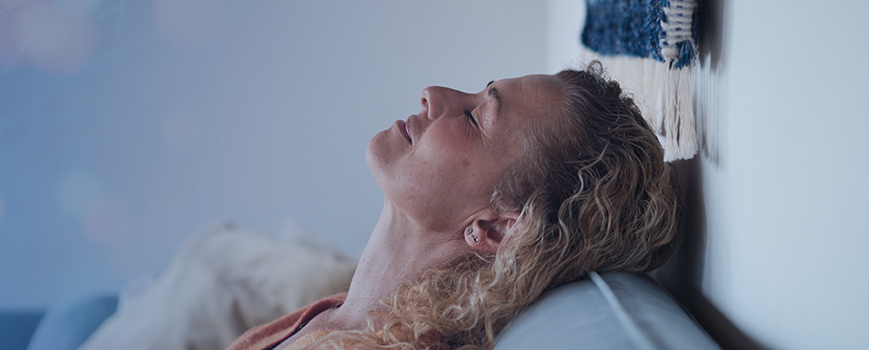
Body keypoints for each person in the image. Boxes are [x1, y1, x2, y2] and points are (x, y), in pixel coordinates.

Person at [231, 61, 680, 350]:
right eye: (475, 93)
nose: (432, 93)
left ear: (499, 229)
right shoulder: (338, 314)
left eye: (472, 117)